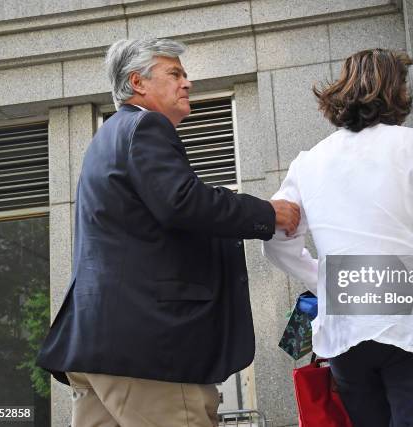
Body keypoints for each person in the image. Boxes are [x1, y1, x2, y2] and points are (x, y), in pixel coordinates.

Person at [36, 38, 300, 427]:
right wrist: (267, 213)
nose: (187, 83)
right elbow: (184, 202)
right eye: (174, 73)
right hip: (146, 351)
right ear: (137, 83)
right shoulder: (145, 125)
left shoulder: (107, 138)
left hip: (97, 347)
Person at [262, 48, 413, 427]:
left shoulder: (308, 162)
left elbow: (278, 240)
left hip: (346, 326)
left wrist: (326, 279)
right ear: (397, 90)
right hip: (409, 315)